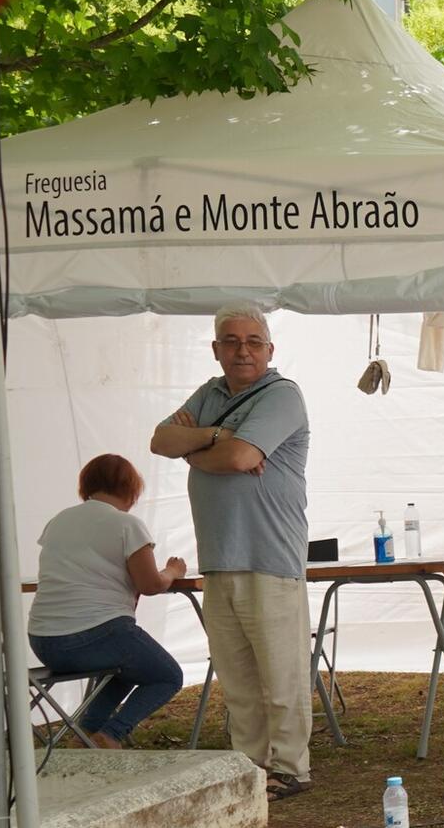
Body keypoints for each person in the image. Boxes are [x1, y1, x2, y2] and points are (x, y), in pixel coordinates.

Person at [148, 305, 314, 799]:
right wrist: (214, 437)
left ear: (270, 349)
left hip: (270, 556)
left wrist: (195, 450)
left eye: (253, 341)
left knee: (281, 674)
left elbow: (242, 457)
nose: (243, 350)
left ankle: (290, 768)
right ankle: (251, 766)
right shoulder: (211, 393)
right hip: (218, 557)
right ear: (216, 349)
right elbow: (161, 440)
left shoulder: (282, 395)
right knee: (238, 676)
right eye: (232, 341)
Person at [26, 454, 188, 748]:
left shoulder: (58, 521)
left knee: (130, 665)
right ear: (131, 489)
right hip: (95, 636)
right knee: (168, 676)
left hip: (44, 641)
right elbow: (150, 585)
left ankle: (86, 736)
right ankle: (111, 735)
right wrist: (172, 571)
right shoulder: (127, 524)